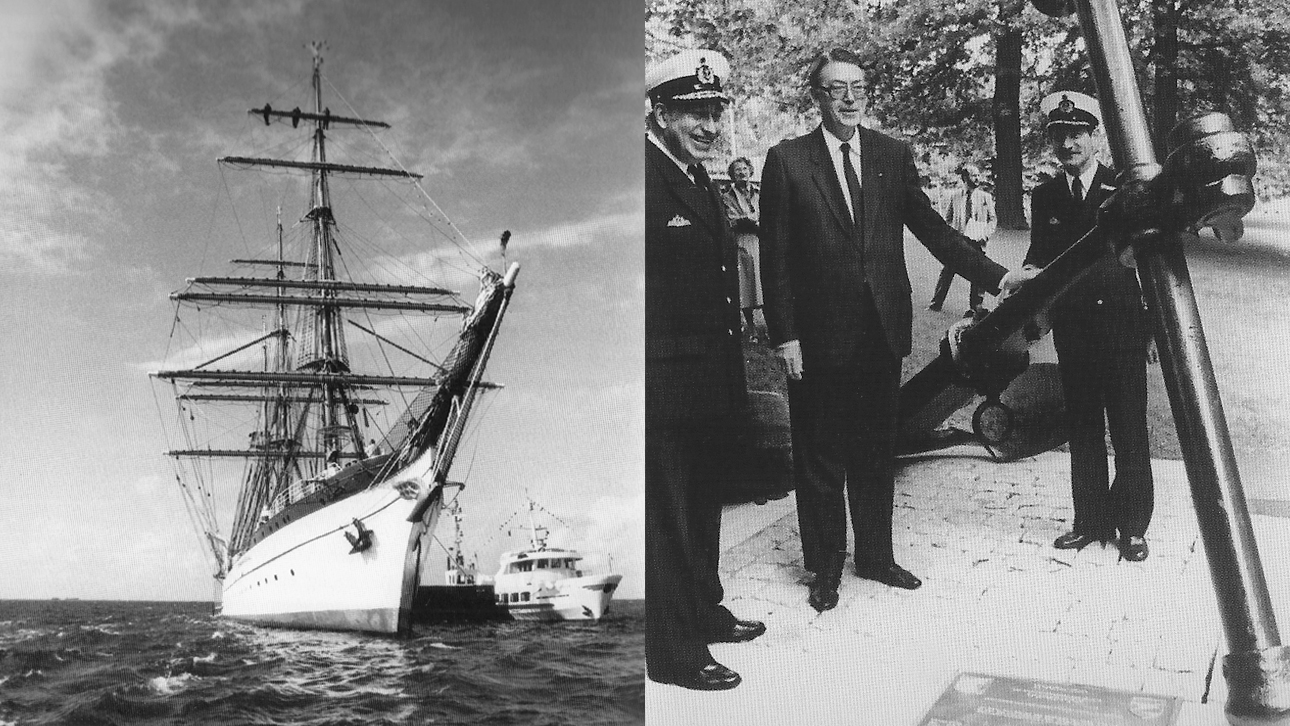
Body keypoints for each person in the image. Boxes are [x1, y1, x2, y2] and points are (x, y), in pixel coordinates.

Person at [758, 48, 1032, 612]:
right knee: (820, 456)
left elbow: (935, 232)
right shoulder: (787, 161)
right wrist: (786, 337)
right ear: (818, 96)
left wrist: (1000, 276)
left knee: (876, 450)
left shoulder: (891, 155)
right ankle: (825, 567)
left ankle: (876, 558)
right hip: (817, 340)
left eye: (858, 86)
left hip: (882, 334)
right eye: (837, 88)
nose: (850, 97)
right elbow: (775, 258)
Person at [645, 48, 766, 692]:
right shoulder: (642, 179)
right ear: (660, 113)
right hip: (663, 383)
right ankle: (670, 650)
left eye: (715, 112)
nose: (709, 126)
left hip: (707, 379)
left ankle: (702, 609)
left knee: (701, 504)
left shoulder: (695, 180)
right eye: (694, 112)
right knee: (666, 516)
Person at [1023, 90, 1153, 562]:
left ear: (1096, 136)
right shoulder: (1046, 195)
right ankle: (1090, 521)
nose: (1068, 144)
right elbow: (1038, 258)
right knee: (1083, 427)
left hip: (1121, 327)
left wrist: (1153, 330)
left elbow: (1152, 266)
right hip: (1073, 329)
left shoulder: (1126, 191)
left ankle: (1133, 526)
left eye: (1077, 133)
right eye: (1059, 135)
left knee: (1128, 428)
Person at [928, 163, 996, 316]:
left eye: (979, 175)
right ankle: (935, 303)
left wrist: (984, 235)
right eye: (974, 175)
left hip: (977, 242)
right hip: (958, 241)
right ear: (965, 177)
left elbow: (993, 220)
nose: (978, 178)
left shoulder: (986, 197)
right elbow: (948, 219)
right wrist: (950, 236)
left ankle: (976, 307)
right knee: (947, 271)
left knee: (979, 273)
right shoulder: (955, 196)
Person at [720, 157, 762, 340]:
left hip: (761, 241)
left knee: (765, 284)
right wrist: (747, 220)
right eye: (737, 170)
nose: (742, 173)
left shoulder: (760, 192)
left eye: (744, 169)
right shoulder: (727, 197)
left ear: (750, 171)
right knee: (746, 287)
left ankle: (772, 327)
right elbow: (731, 220)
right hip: (742, 243)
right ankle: (751, 327)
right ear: (732, 175)